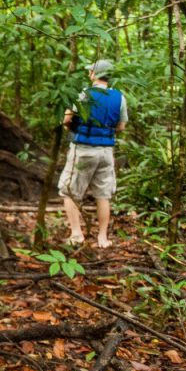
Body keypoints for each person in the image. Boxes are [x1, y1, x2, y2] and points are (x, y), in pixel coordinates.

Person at [58, 59, 127, 249]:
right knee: (103, 195)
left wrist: (69, 127)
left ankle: (77, 234)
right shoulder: (119, 97)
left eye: (90, 71)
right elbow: (121, 126)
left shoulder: (83, 94)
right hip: (106, 152)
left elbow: (66, 119)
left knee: (70, 191)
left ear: (94, 74)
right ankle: (102, 238)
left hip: (83, 149)